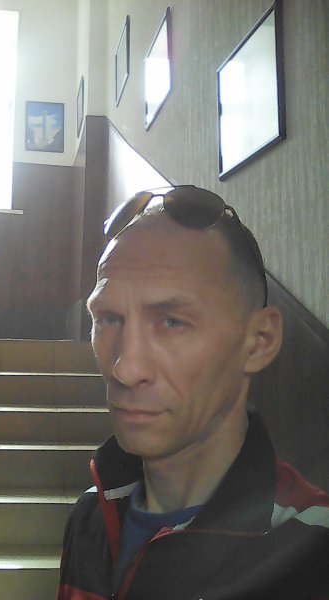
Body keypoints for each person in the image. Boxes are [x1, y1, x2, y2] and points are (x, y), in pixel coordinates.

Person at [57, 186, 329, 600]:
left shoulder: (312, 548)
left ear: (258, 341)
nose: (125, 369)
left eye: (172, 322)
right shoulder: (90, 513)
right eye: (108, 318)